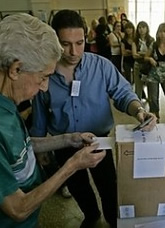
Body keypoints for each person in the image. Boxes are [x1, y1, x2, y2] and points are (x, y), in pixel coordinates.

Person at [30, 10, 157, 228]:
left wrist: (139, 110)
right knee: (78, 187)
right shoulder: (45, 73)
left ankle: (112, 220)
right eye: (65, 44)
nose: (73, 51)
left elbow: (123, 93)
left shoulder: (101, 66)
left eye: (79, 43)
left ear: (86, 38)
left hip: (100, 141)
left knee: (108, 186)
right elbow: (40, 112)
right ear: (54, 41)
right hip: (63, 143)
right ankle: (91, 215)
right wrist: (41, 147)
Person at [0, 13, 106, 228]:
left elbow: (24, 146)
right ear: (15, 69)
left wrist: (69, 138)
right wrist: (73, 165)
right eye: (43, 77)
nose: (45, 88)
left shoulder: (9, 103)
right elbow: (18, 208)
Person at [132, 21, 154, 101]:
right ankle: (138, 105)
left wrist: (141, 54)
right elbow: (134, 55)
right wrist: (146, 54)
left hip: (148, 66)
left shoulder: (151, 40)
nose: (141, 29)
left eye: (143, 27)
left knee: (150, 86)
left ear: (147, 29)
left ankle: (150, 101)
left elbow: (152, 53)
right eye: (140, 28)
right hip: (138, 65)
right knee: (138, 86)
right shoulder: (135, 41)